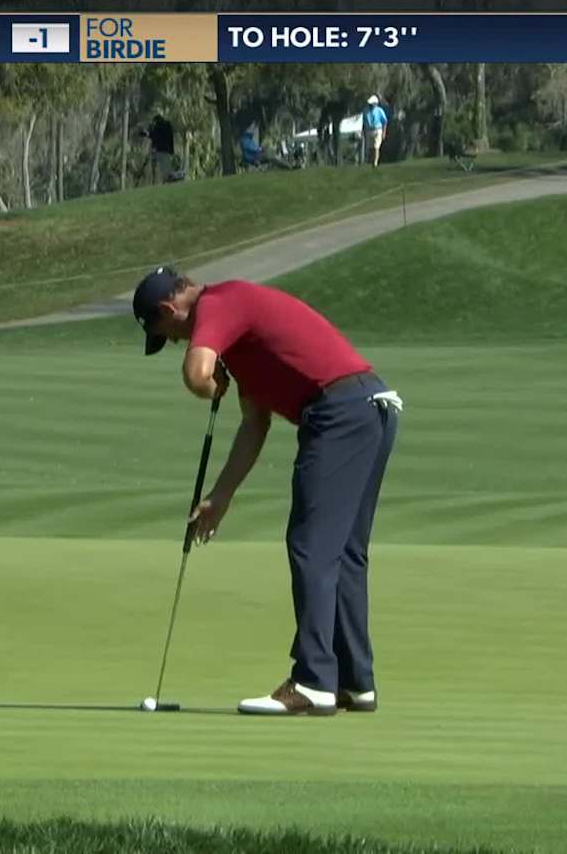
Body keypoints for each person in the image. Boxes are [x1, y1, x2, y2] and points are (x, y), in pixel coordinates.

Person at [131, 266, 403, 717]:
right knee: (344, 553)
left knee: (311, 547)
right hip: (369, 407)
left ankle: (314, 680)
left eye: (169, 333)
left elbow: (197, 376)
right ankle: (355, 681)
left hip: (340, 412)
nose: (177, 342)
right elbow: (254, 424)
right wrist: (219, 497)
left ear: (169, 308)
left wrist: (212, 381)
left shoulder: (217, 305)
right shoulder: (238, 335)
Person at [142, 114, 177, 183]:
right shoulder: (167, 125)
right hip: (168, 149)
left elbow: (156, 136)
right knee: (167, 166)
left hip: (161, 150)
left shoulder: (159, 127)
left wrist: (148, 134)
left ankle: (168, 180)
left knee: (164, 168)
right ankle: (168, 179)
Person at [361, 94, 388, 167]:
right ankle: (371, 161)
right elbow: (364, 122)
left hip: (377, 130)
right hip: (369, 130)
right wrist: (363, 132)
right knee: (370, 147)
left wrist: (384, 132)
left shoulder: (379, 110)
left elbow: (384, 121)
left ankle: (375, 163)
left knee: (376, 146)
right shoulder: (365, 111)